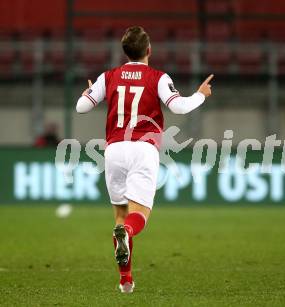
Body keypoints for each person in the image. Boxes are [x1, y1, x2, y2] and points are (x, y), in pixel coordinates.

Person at [76, 26, 213, 293]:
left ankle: (125, 280)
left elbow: (81, 108)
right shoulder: (158, 77)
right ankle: (127, 234)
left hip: (114, 150)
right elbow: (178, 106)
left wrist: (87, 94)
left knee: (120, 215)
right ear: (149, 50)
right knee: (138, 217)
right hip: (143, 149)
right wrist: (200, 95)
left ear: (125, 52)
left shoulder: (109, 76)